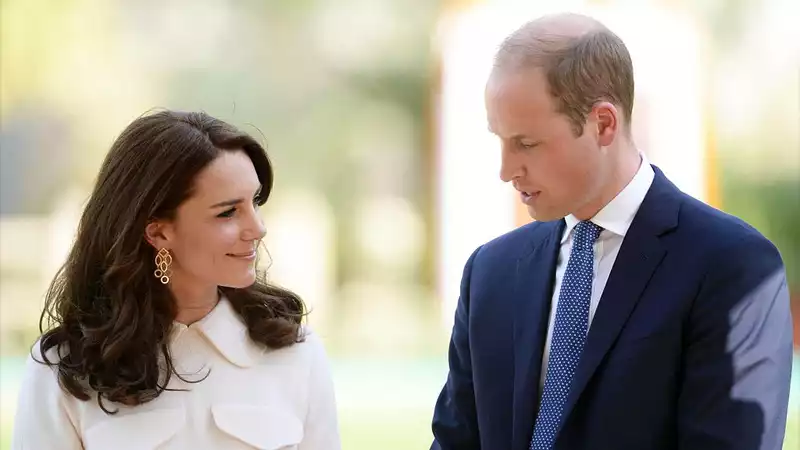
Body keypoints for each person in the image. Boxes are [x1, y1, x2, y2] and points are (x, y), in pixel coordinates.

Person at [430, 12, 793, 450]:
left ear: (603, 123)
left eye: (526, 143)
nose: (506, 170)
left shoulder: (732, 267)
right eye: (500, 140)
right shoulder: (490, 272)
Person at [12, 110, 341, 449]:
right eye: (228, 212)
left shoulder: (296, 354)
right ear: (158, 232)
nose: (258, 228)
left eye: (254, 201)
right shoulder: (64, 368)